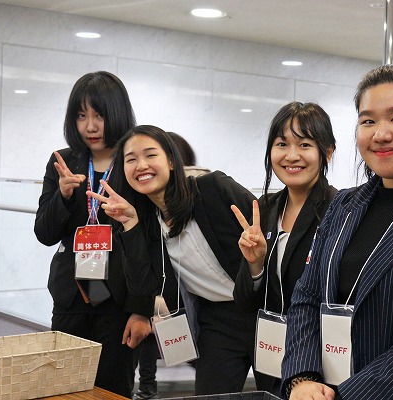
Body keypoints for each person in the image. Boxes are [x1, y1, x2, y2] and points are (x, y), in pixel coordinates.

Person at [280, 64, 393, 400]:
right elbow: (307, 295)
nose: (380, 134)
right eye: (368, 121)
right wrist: (301, 378)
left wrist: (348, 396)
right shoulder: (344, 204)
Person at [88, 125, 265, 395]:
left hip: (265, 308)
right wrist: (130, 224)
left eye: (150, 155)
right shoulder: (146, 220)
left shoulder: (212, 188)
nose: (141, 165)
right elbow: (144, 284)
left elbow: (265, 228)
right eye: (131, 159)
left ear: (171, 161)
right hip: (217, 320)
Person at [34, 71, 152, 398]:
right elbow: (44, 233)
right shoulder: (64, 162)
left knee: (113, 388)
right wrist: (62, 196)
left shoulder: (135, 163)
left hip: (119, 300)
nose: (90, 126)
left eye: (99, 115)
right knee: (62, 388)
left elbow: (149, 243)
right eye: (81, 116)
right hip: (72, 294)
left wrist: (142, 308)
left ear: (117, 113)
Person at [232, 101, 338, 395]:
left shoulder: (338, 210)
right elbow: (243, 301)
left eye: (304, 145)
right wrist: (255, 264)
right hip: (270, 350)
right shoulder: (265, 209)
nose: (291, 155)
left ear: (327, 152)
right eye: (281, 144)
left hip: (318, 362)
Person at [132, 131, 209, 400]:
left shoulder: (202, 188)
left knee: (159, 327)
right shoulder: (149, 199)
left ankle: (148, 386)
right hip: (175, 283)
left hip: (175, 283)